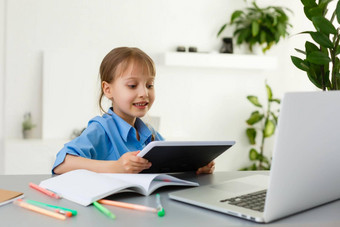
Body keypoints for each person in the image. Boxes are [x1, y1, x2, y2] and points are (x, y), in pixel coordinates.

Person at [52, 47, 215, 175]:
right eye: (132, 86)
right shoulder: (101, 128)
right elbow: (61, 163)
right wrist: (115, 167)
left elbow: (169, 163)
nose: (144, 93)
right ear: (108, 90)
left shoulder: (150, 133)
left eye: (149, 85)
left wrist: (196, 167)